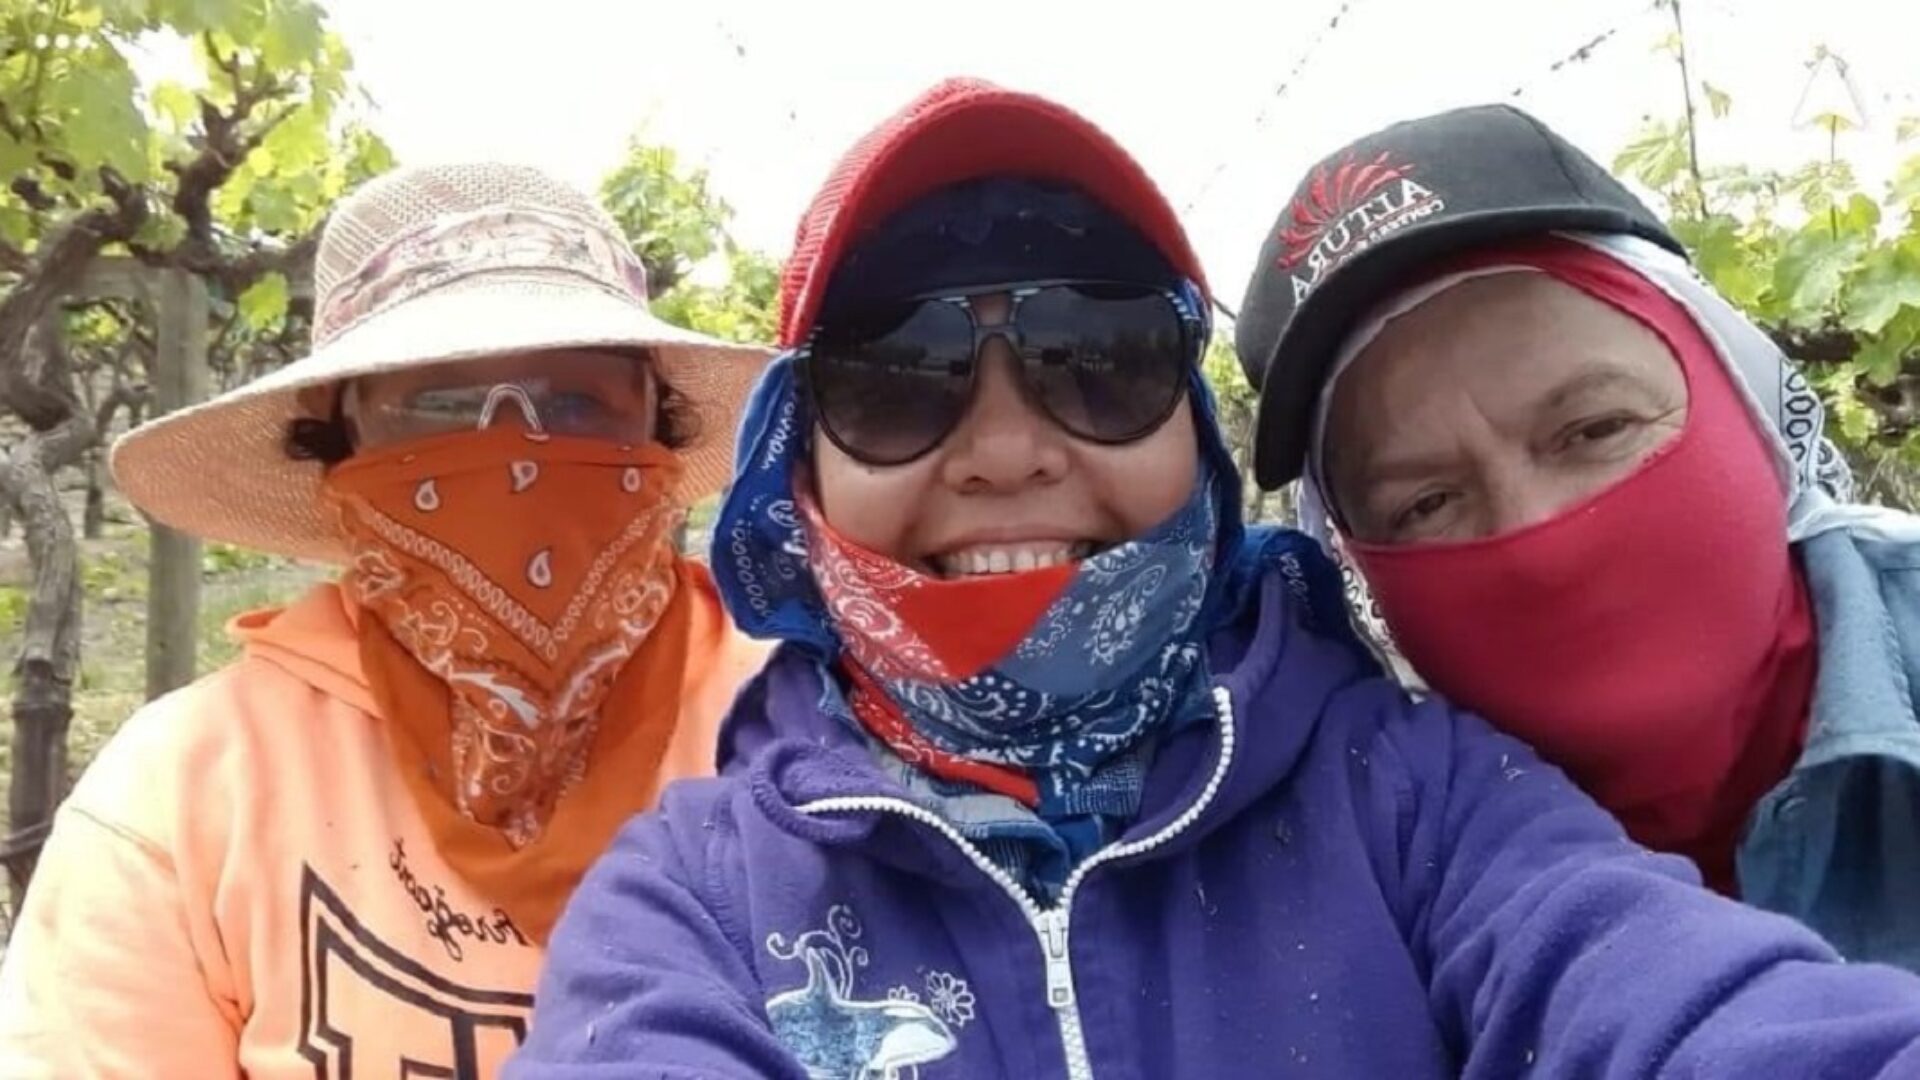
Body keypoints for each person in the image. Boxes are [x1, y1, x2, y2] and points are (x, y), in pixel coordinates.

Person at [507, 79, 1920, 1080]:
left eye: (1100, 356)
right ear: (793, 470)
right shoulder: (693, 904)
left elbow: (1690, 1009)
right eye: (897, 378)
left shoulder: (1415, 801)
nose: (1005, 448)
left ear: (1200, 439)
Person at [0, 162, 773, 1078]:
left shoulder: (802, 734)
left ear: (659, 428)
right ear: (340, 453)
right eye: (438, 407)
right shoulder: (186, 796)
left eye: (574, 400)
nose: (513, 454)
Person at [1233, 103, 1920, 971]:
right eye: (1426, 503)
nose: (1537, 541)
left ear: (1744, 402)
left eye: (1595, 429)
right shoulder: (1381, 870)